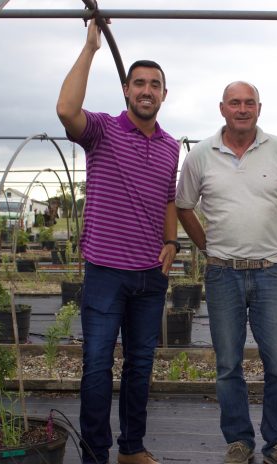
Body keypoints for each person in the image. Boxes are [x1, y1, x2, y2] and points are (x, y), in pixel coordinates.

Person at [56, 19, 180, 464]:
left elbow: (169, 197)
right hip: (106, 271)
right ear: (127, 90)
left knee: (140, 366)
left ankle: (132, 447)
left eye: (155, 85)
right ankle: (96, 453)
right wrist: (90, 47)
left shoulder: (170, 145)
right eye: (139, 83)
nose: (147, 90)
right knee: (96, 367)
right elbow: (67, 111)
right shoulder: (104, 131)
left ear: (164, 95)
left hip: (150, 276)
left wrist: (172, 243)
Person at [176, 81, 277, 464]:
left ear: (259, 108)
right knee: (227, 364)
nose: (242, 108)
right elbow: (184, 206)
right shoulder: (201, 154)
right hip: (222, 274)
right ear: (222, 109)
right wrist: (206, 246)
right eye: (235, 102)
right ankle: (239, 440)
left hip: (270, 272)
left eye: (249, 102)